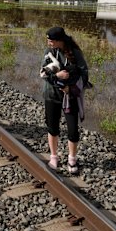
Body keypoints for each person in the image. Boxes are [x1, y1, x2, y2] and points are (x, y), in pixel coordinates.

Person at [40, 26, 89, 174]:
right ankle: (53, 156)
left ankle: (72, 159)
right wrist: (57, 77)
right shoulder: (49, 52)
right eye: (48, 40)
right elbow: (43, 73)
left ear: (60, 40)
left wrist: (71, 88)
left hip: (70, 96)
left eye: (51, 41)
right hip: (51, 95)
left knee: (73, 130)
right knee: (52, 127)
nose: (49, 43)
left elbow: (84, 74)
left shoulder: (75, 53)